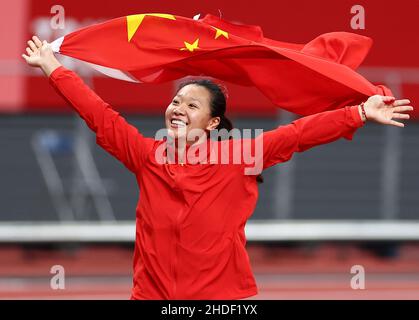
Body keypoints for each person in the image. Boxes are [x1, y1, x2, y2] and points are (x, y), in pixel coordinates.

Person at [22, 36, 413, 299]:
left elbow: (299, 133)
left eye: (191, 106)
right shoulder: (145, 155)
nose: (178, 109)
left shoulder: (239, 157)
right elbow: (99, 115)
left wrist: (359, 112)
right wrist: (53, 67)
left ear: (212, 124)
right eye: (176, 102)